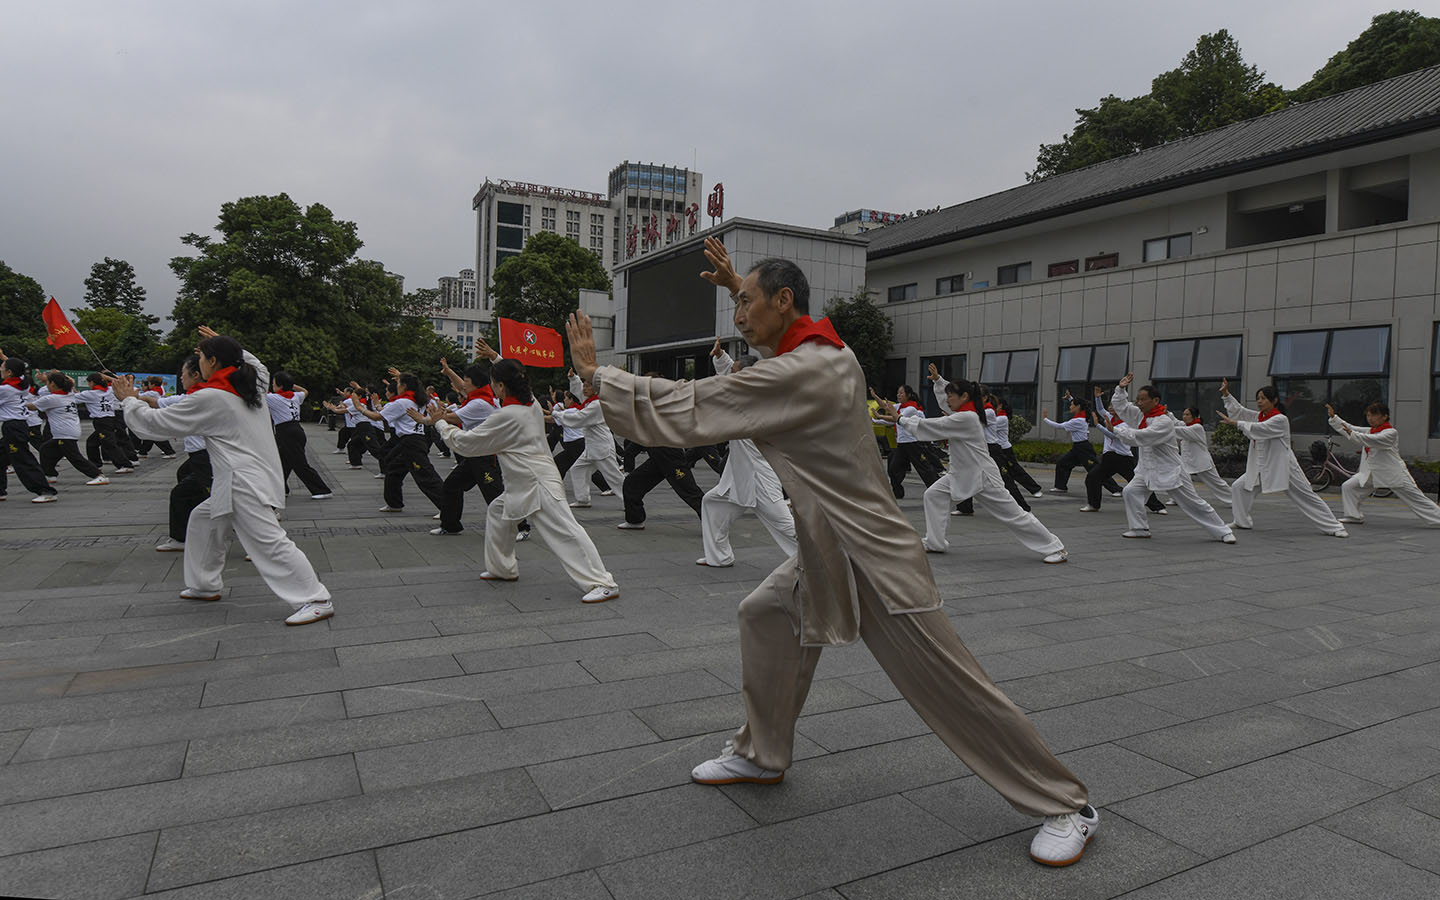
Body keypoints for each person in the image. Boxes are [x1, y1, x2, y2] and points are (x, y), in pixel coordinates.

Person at [565, 238, 1097, 868]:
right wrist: (743, 284)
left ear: (785, 302)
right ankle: (763, 755)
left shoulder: (806, 371)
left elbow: (699, 405)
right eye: (736, 304)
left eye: (747, 305)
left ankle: (1066, 804)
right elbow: (785, 336)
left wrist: (597, 374)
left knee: (949, 682)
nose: (738, 317)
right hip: (828, 545)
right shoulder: (824, 348)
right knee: (765, 615)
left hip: (871, 553)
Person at [114, 327, 334, 625]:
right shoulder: (251, 387)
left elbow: (155, 424)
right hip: (243, 477)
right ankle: (205, 585)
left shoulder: (213, 397)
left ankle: (315, 598)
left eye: (202, 357)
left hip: (242, 481)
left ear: (213, 362)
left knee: (268, 542)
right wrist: (232, 346)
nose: (199, 363)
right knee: (203, 521)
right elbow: (259, 367)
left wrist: (128, 400)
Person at [429, 358, 619, 603]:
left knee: (566, 531)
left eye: (493, 383)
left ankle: (603, 583)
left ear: (500, 387)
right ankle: (502, 568)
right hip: (525, 481)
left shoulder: (509, 414)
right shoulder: (530, 404)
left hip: (537, 481)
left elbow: (466, 444)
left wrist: (441, 423)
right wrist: (496, 357)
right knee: (498, 513)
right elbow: (517, 379)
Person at [895, 369, 1067, 563]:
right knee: (933, 495)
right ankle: (936, 542)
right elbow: (946, 408)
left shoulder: (966, 417)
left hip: (983, 476)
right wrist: (939, 381)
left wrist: (900, 419)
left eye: (951, 396)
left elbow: (934, 426)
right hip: (962, 473)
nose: (947, 399)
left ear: (965, 396)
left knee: (1014, 515)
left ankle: (1056, 548)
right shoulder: (965, 412)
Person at [696, 338, 799, 567]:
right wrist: (721, 356)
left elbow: (728, 385)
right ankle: (719, 556)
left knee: (784, 523)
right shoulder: (749, 392)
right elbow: (730, 378)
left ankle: (818, 560)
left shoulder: (752, 401)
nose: (732, 375)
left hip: (760, 476)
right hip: (738, 475)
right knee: (712, 504)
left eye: (736, 372)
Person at [1107, 376, 1235, 543]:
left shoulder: (1164, 422)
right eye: (1137, 399)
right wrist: (1121, 389)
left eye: (1143, 399)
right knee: (1131, 492)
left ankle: (1223, 531)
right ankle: (1139, 528)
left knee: (1194, 503)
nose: (1138, 403)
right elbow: (1122, 407)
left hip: (1170, 470)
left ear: (1155, 400)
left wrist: (1116, 431)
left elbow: (1142, 436)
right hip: (1146, 469)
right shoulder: (1140, 415)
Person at [1218, 381, 1348, 537]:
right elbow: (1240, 412)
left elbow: (1260, 429)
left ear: (1274, 401)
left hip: (1284, 467)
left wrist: (1235, 423)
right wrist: (1226, 394)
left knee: (1306, 496)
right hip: (1263, 465)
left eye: (1264, 398)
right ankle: (1241, 521)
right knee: (1239, 487)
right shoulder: (1260, 417)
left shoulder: (1280, 420)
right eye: (1258, 398)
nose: (1259, 401)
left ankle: (1335, 526)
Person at [1327, 401, 1440, 526]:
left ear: (1385, 416)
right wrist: (1334, 418)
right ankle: (1353, 516)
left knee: (1417, 499)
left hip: (1393, 473)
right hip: (1372, 473)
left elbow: (1371, 440)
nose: (1370, 418)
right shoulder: (1370, 430)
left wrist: (1352, 433)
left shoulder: (1390, 433)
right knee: (1349, 486)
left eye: (1373, 415)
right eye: (1368, 416)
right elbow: (1350, 428)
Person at [353, 370, 445, 513]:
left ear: (404, 386)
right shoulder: (416, 398)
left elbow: (377, 417)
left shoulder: (403, 402)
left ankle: (446, 507)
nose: (396, 386)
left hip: (412, 442)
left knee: (425, 476)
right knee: (393, 468)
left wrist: (359, 408)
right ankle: (394, 503)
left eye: (398, 383)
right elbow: (387, 411)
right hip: (409, 440)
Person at [154, 355, 212, 552]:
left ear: (196, 375)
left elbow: (155, 406)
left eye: (182, 373)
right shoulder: (198, 396)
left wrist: (131, 400)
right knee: (184, 476)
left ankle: (181, 538)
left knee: (180, 494)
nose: (180, 378)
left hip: (208, 457)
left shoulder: (198, 398)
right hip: (199, 456)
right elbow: (157, 403)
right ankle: (199, 525)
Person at [550, 373, 626, 508]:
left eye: (588, 386)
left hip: (602, 446)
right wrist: (573, 378)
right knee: (577, 469)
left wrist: (555, 413)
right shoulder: (590, 401)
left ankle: (630, 502)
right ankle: (583, 499)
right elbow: (578, 391)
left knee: (614, 477)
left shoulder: (596, 404)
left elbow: (578, 418)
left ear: (596, 388)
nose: (584, 389)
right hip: (592, 447)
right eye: (584, 386)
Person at [0, 352, 61, 502]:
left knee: (23, 460)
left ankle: (46, 491)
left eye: (2, 367)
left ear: (9, 372)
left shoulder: (6, 389)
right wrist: (4, 357)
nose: (0, 369)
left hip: (13, 427)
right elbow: (20, 370)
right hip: (18, 426)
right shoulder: (23, 383)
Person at [29, 371, 108, 487]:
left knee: (74, 457)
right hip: (67, 431)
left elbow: (31, 406)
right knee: (46, 450)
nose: (47, 386)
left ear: (53, 385)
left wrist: (16, 402)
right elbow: (70, 381)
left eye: (48, 383)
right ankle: (50, 474)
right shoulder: (69, 394)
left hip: (64, 433)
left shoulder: (52, 398)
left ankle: (98, 476)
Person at [265, 372, 332, 499]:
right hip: (296, 430)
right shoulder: (295, 396)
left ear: (280, 386)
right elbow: (305, 391)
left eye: (273, 384)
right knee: (283, 463)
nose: (271, 386)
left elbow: (258, 392)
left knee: (300, 464)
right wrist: (290, 384)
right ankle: (281, 489)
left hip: (286, 432)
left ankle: (322, 490)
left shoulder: (273, 398)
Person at [871, 384, 942, 499]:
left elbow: (897, 418)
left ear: (908, 395)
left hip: (914, 443)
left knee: (925, 470)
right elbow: (885, 406)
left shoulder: (911, 409)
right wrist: (875, 396)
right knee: (893, 467)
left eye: (901, 393)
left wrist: (880, 416)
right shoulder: (900, 406)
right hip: (902, 444)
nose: (898, 395)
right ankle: (897, 492)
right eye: (898, 393)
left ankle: (938, 492)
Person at [1042, 397, 1101, 494]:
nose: (1070, 406)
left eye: (1072, 404)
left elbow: (1059, 426)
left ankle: (1115, 489)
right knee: (1062, 463)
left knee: (1095, 470)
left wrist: (1045, 419)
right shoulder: (1081, 416)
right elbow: (1080, 403)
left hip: (1084, 448)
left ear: (1078, 407)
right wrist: (1070, 398)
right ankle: (1060, 487)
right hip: (1077, 448)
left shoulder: (1078, 421)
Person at [1177, 408, 1232, 505]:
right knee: (1181, 479)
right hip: (1188, 461)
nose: (1184, 417)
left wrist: (1165, 428)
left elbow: (1179, 430)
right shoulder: (1187, 426)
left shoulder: (1197, 427)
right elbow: (1176, 423)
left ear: (1194, 416)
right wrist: (1167, 414)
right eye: (1184, 414)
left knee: (1217, 483)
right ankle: (1179, 499)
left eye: (1187, 414)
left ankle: (1235, 499)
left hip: (1202, 462)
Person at [134, 377, 177, 458]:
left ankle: (170, 452)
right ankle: (143, 452)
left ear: (153, 384)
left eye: (149, 383)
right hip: (155, 414)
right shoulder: (158, 391)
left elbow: (139, 396)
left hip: (154, 414)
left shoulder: (152, 393)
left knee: (154, 434)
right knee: (149, 434)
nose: (148, 385)